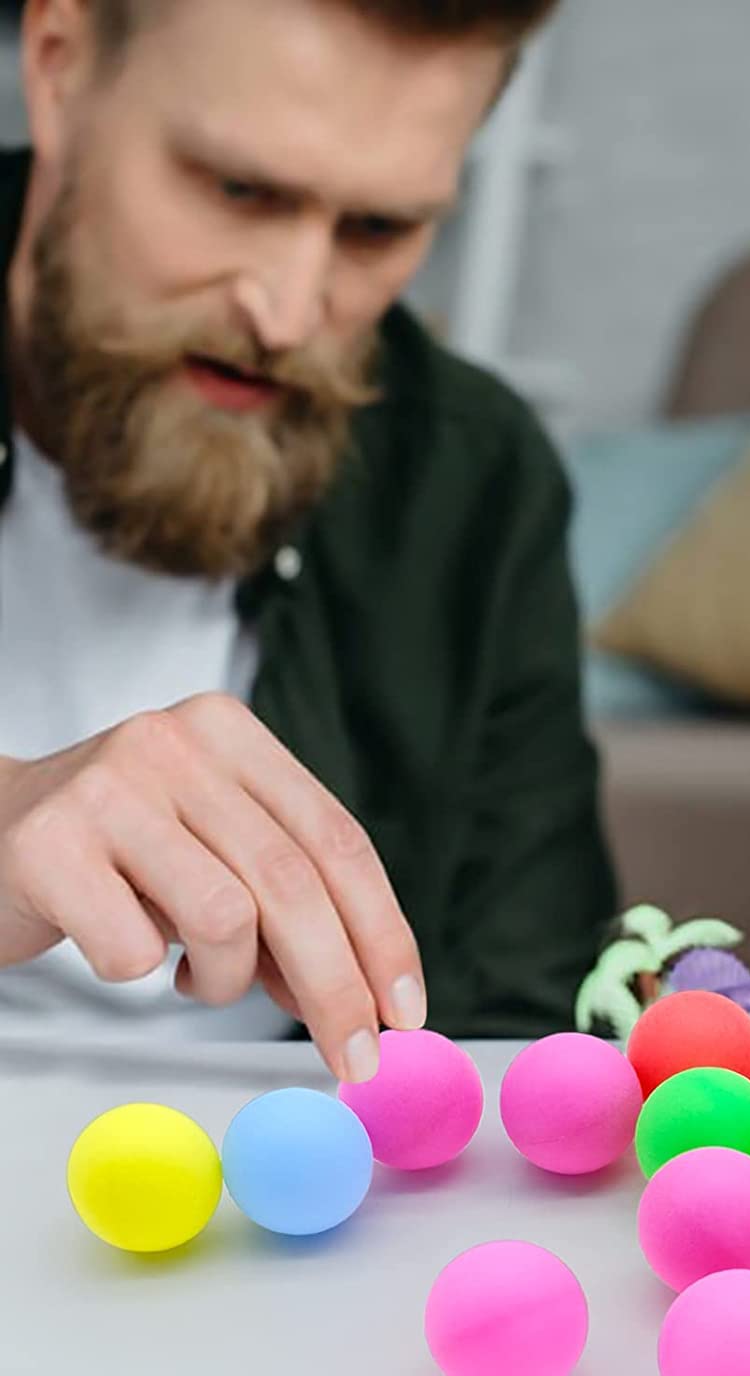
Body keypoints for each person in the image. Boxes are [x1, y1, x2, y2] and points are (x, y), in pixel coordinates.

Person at [0, 0, 617, 1082]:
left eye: (379, 230)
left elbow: (525, 1017)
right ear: (58, 69)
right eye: (239, 191)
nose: (286, 315)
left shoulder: (475, 476)